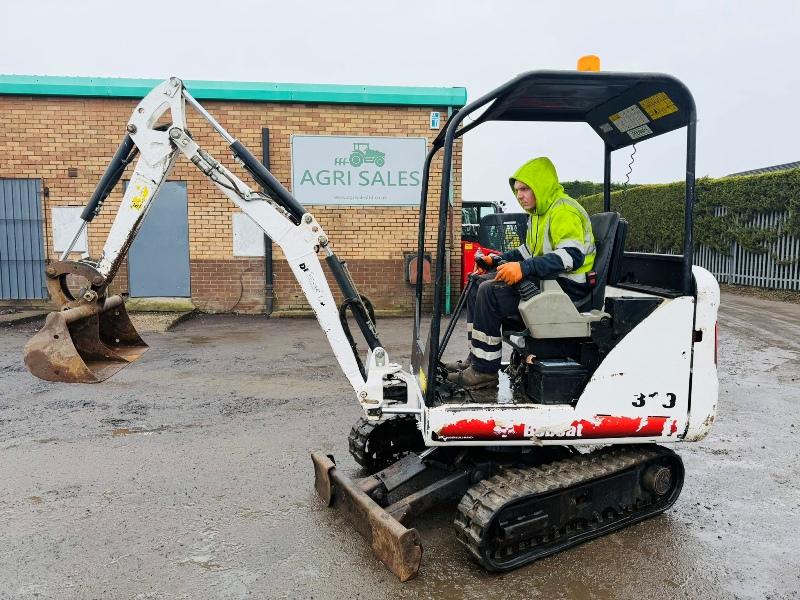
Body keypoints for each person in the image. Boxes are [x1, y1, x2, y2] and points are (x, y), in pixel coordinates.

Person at [445, 156, 596, 389]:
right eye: (517, 190)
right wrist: (495, 261)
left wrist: (524, 269)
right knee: (477, 282)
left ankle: (485, 373)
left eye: (525, 189)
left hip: (568, 288)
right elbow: (526, 253)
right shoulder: (538, 215)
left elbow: (571, 256)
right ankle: (477, 359)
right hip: (548, 282)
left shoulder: (563, 211)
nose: (519, 195)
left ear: (541, 185)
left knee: (490, 291)